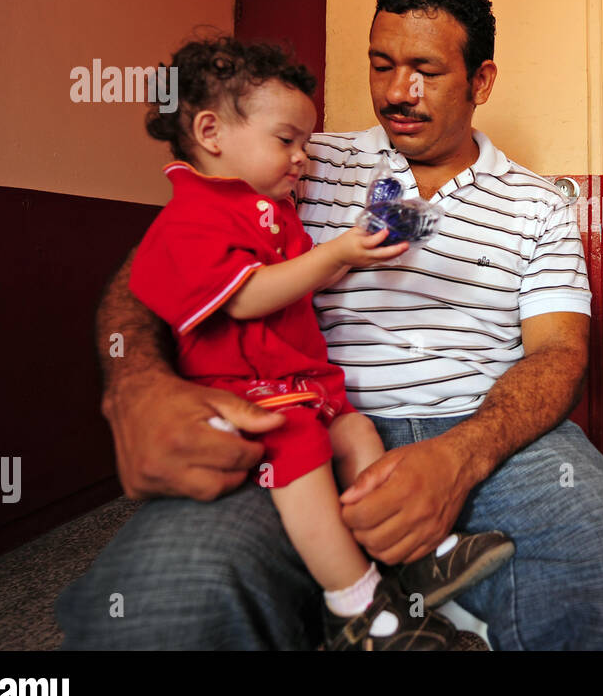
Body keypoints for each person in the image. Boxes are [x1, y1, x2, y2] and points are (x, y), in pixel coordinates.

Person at [57, 0, 603, 650]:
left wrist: (461, 456)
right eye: (382, 64)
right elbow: (157, 269)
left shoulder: (538, 204)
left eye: (424, 69)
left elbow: (558, 354)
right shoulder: (298, 160)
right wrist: (137, 386)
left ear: (481, 81)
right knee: (162, 598)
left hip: (483, 428)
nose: (397, 91)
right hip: (298, 419)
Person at [128, 36, 516, 650]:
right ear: (210, 131)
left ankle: (414, 555)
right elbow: (248, 296)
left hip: (300, 388)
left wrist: (358, 247)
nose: (302, 158)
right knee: (304, 451)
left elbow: (303, 276)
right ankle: (356, 608)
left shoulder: (264, 205)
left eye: (305, 143)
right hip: (247, 398)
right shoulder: (195, 213)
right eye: (287, 141)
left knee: (356, 433)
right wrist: (340, 250)